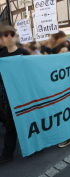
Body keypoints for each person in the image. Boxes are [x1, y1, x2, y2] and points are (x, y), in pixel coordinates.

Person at [0, 25, 29, 164]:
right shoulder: (1, 55)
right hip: (10, 97)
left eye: (10, 34)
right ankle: (7, 154)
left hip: (25, 94)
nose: (8, 37)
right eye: (5, 35)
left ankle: (34, 146)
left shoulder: (23, 52)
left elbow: (33, 72)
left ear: (14, 36)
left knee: (28, 122)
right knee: (11, 125)